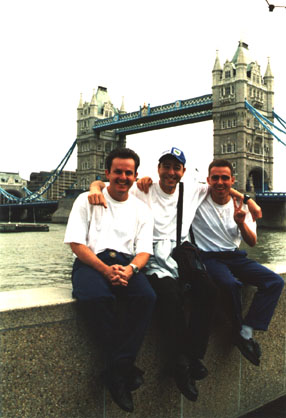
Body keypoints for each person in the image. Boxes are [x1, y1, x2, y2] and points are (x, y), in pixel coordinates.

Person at [89, 147, 262, 402]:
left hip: (181, 251)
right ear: (157, 169)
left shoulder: (192, 188)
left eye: (176, 168)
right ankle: (180, 364)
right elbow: (105, 183)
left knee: (209, 290)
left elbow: (222, 187)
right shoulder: (142, 187)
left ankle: (193, 355)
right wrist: (94, 189)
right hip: (149, 253)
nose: (171, 172)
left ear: (183, 171)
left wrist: (248, 200)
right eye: (166, 167)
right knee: (170, 296)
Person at [64, 148, 156, 413]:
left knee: (147, 297)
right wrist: (106, 271)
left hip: (126, 264)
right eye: (118, 171)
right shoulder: (86, 199)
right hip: (91, 262)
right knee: (96, 298)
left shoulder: (141, 209)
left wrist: (130, 271)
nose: (123, 177)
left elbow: (144, 252)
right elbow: (77, 245)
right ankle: (123, 367)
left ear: (136, 175)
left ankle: (116, 369)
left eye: (129, 173)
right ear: (107, 173)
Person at [191, 159, 284, 366]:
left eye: (225, 178)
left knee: (275, 282)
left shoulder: (242, 205)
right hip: (209, 256)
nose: (220, 182)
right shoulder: (198, 196)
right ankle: (239, 332)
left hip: (235, 256)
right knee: (230, 284)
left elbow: (252, 241)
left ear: (233, 179)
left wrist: (241, 223)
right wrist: (98, 184)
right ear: (208, 180)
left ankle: (246, 331)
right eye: (215, 178)